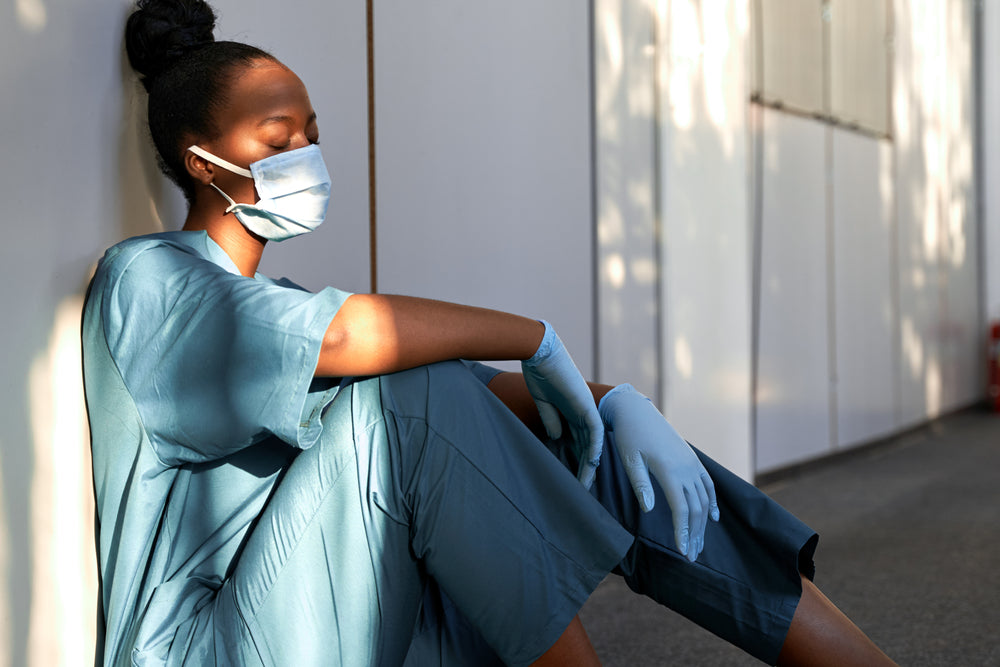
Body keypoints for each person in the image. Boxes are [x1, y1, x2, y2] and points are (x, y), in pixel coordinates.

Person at [82, 1, 897, 665]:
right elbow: (353, 345)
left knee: (592, 437)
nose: (305, 153)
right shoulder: (150, 279)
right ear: (201, 159)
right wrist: (535, 336)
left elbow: (476, 405)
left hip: (349, 611)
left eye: (312, 133)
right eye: (276, 139)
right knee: (409, 393)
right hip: (212, 644)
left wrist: (611, 403)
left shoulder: (280, 300)